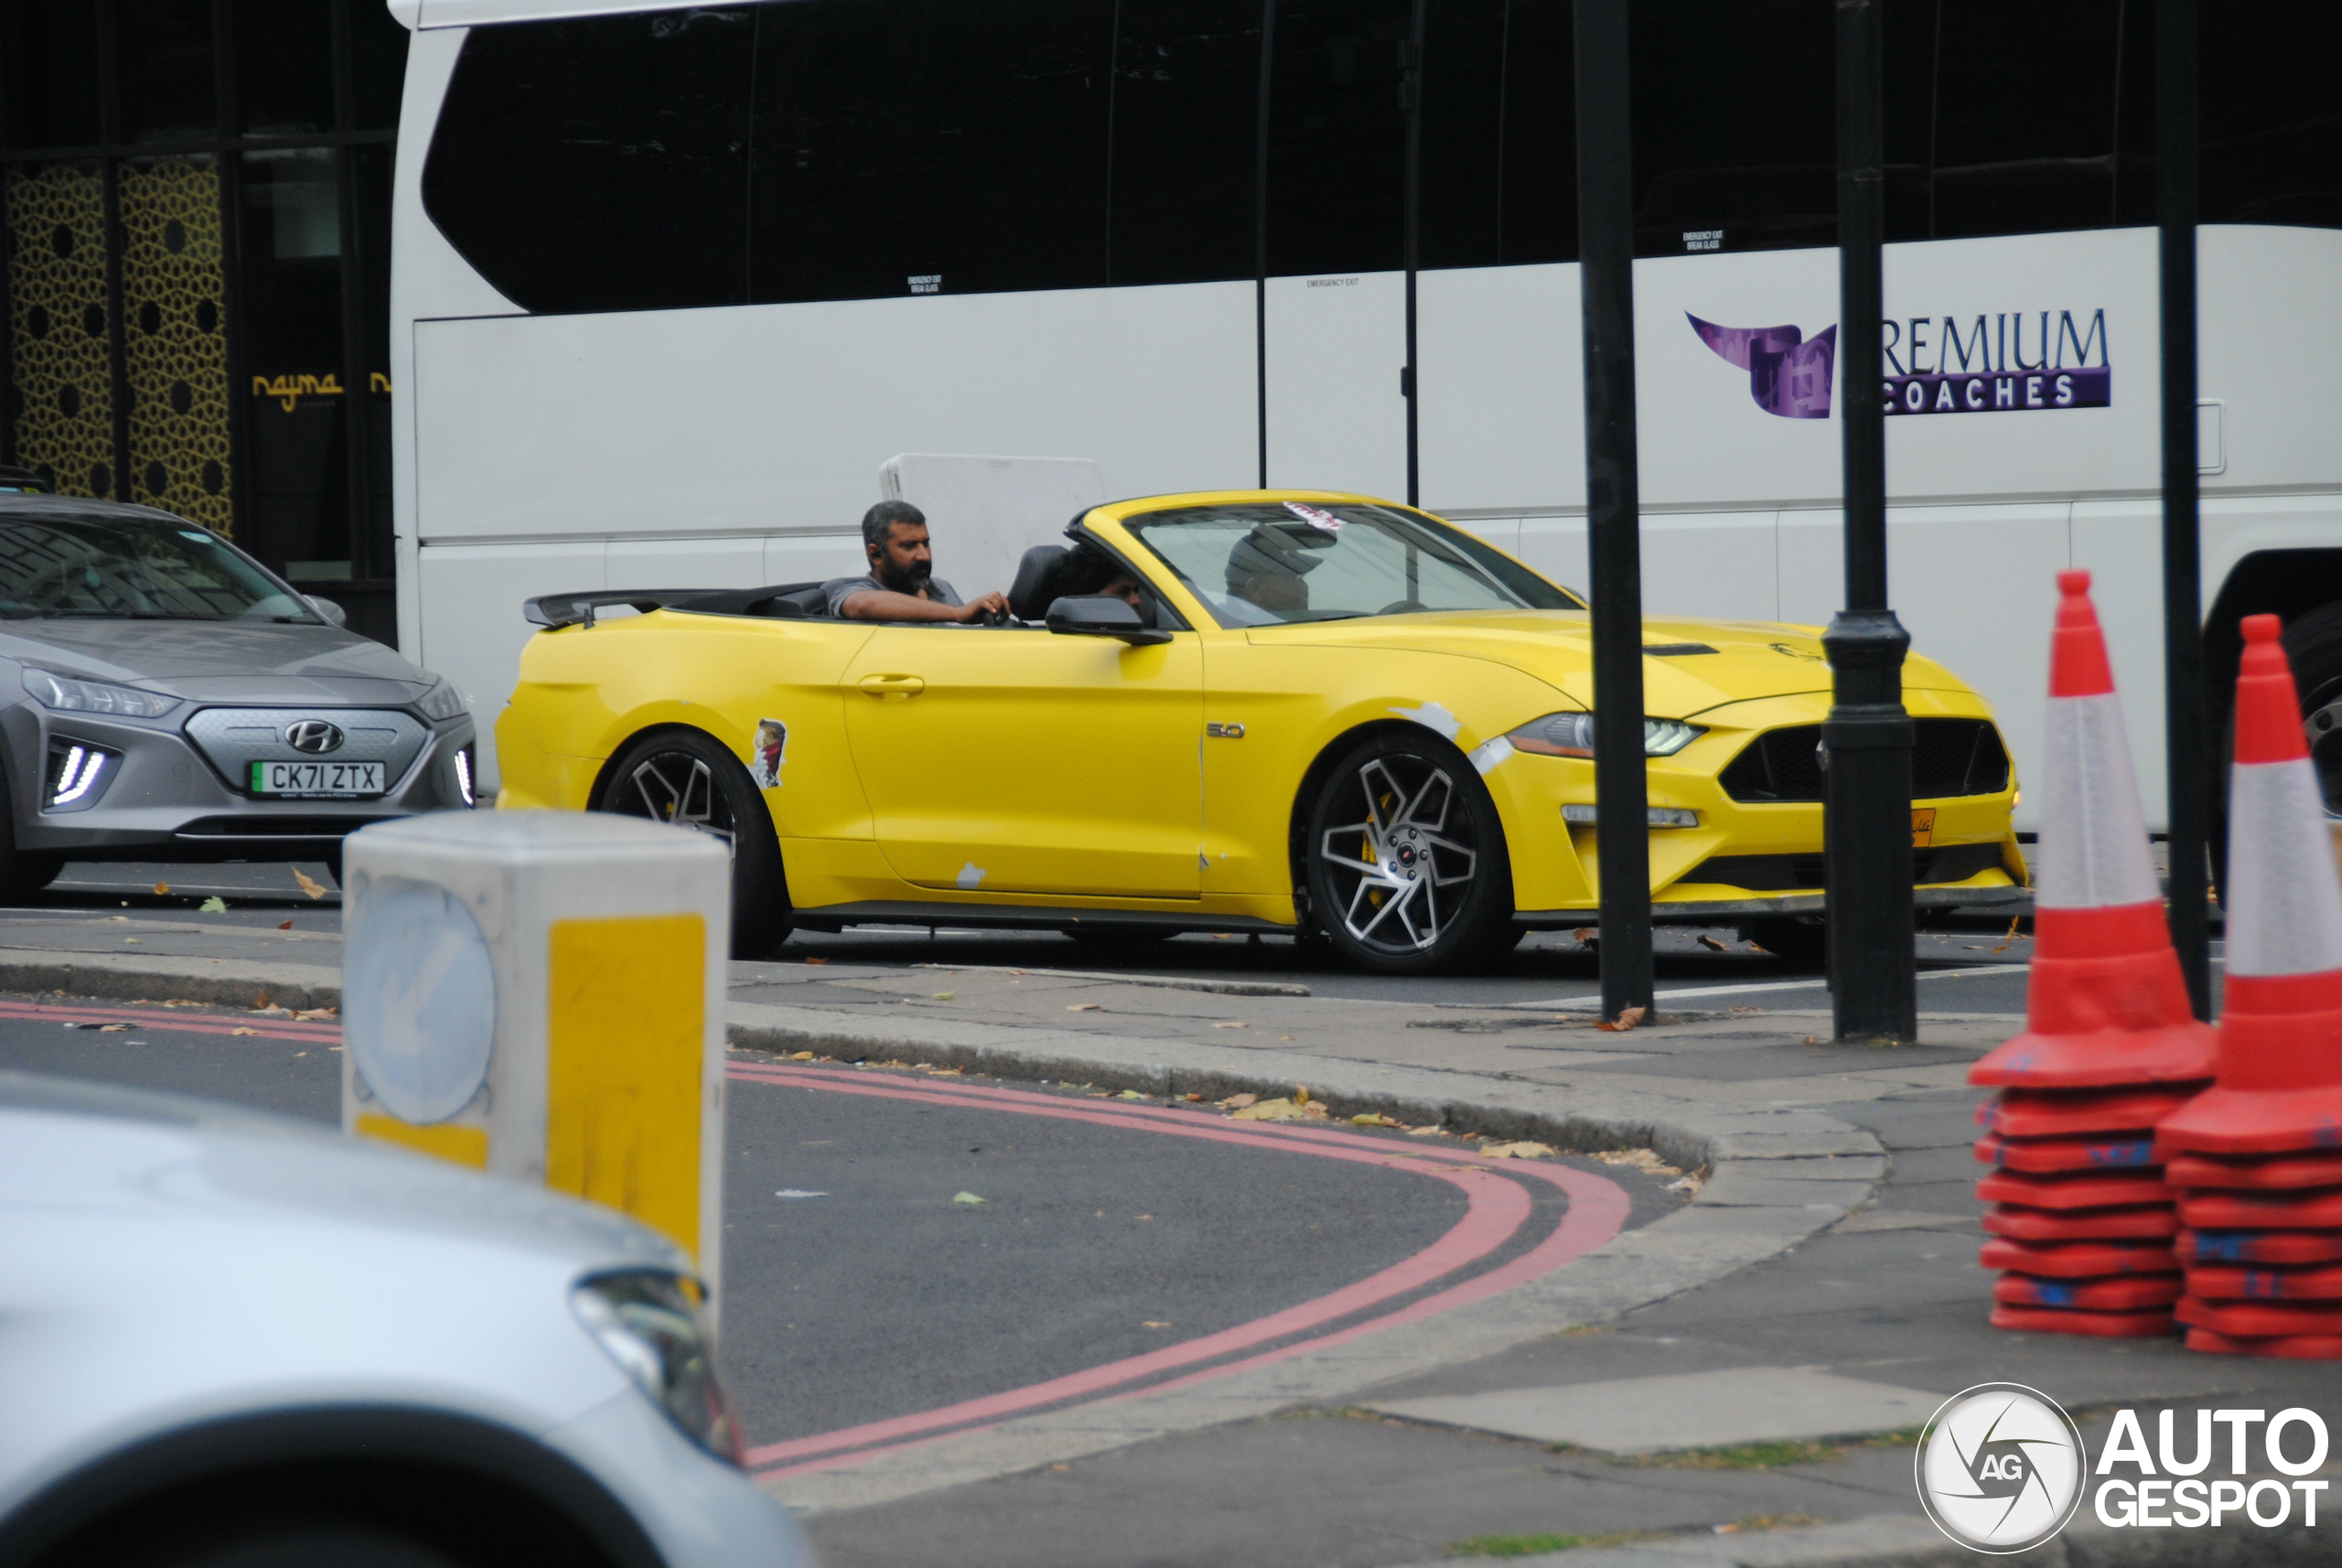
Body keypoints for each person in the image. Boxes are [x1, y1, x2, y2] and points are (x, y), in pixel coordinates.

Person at [826, 500, 1012, 622]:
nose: (924, 555)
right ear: (876, 555)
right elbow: (862, 605)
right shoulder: (852, 592)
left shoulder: (940, 588)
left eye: (926, 543)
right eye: (909, 546)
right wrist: (957, 614)